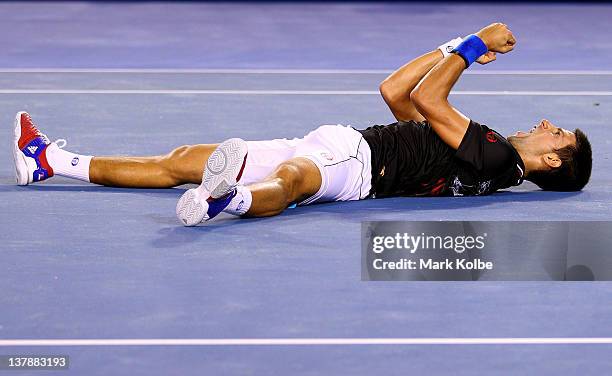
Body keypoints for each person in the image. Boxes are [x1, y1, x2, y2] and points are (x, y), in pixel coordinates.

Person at [12, 23, 592, 226]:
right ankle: (48, 162)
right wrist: (449, 46)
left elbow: (433, 97)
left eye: (557, 133)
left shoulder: (495, 153)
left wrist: (472, 44)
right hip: (346, 145)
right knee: (183, 157)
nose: (546, 124)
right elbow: (399, 93)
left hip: (357, 165)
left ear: (546, 163)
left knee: (292, 179)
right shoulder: (478, 159)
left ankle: (228, 201)